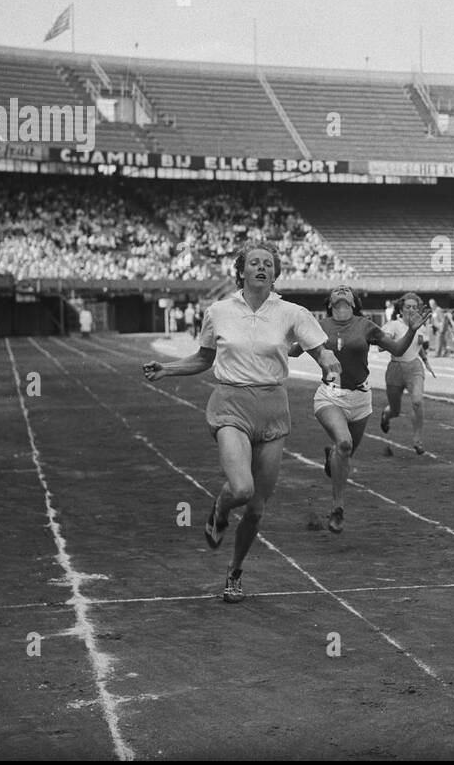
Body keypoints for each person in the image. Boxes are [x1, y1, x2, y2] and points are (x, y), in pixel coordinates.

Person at [143, 244, 341, 603]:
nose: (262, 268)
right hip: (230, 404)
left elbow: (319, 348)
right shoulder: (218, 311)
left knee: (257, 507)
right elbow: (204, 357)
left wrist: (328, 360)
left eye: (268, 264)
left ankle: (234, 573)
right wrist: (167, 368)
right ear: (242, 271)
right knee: (242, 488)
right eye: (255, 263)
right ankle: (219, 511)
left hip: (272, 407)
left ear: (275, 274)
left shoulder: (291, 312)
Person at [298, 286, 425, 533]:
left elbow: (397, 349)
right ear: (330, 301)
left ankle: (332, 456)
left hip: (360, 400)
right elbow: (292, 349)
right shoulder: (319, 326)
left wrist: (411, 331)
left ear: (354, 302)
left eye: (347, 291)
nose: (342, 292)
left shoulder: (366, 326)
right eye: (338, 290)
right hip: (330, 396)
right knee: (344, 445)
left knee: (345, 454)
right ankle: (338, 508)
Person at [380, 292, 431, 455]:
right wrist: (385, 341)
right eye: (408, 307)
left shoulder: (422, 327)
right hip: (395, 368)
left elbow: (419, 344)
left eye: (415, 307)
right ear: (401, 309)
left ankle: (417, 440)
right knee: (395, 410)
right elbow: (383, 343)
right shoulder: (393, 325)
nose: (411, 310)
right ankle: (386, 415)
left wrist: (425, 359)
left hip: (414, 368)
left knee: (417, 402)